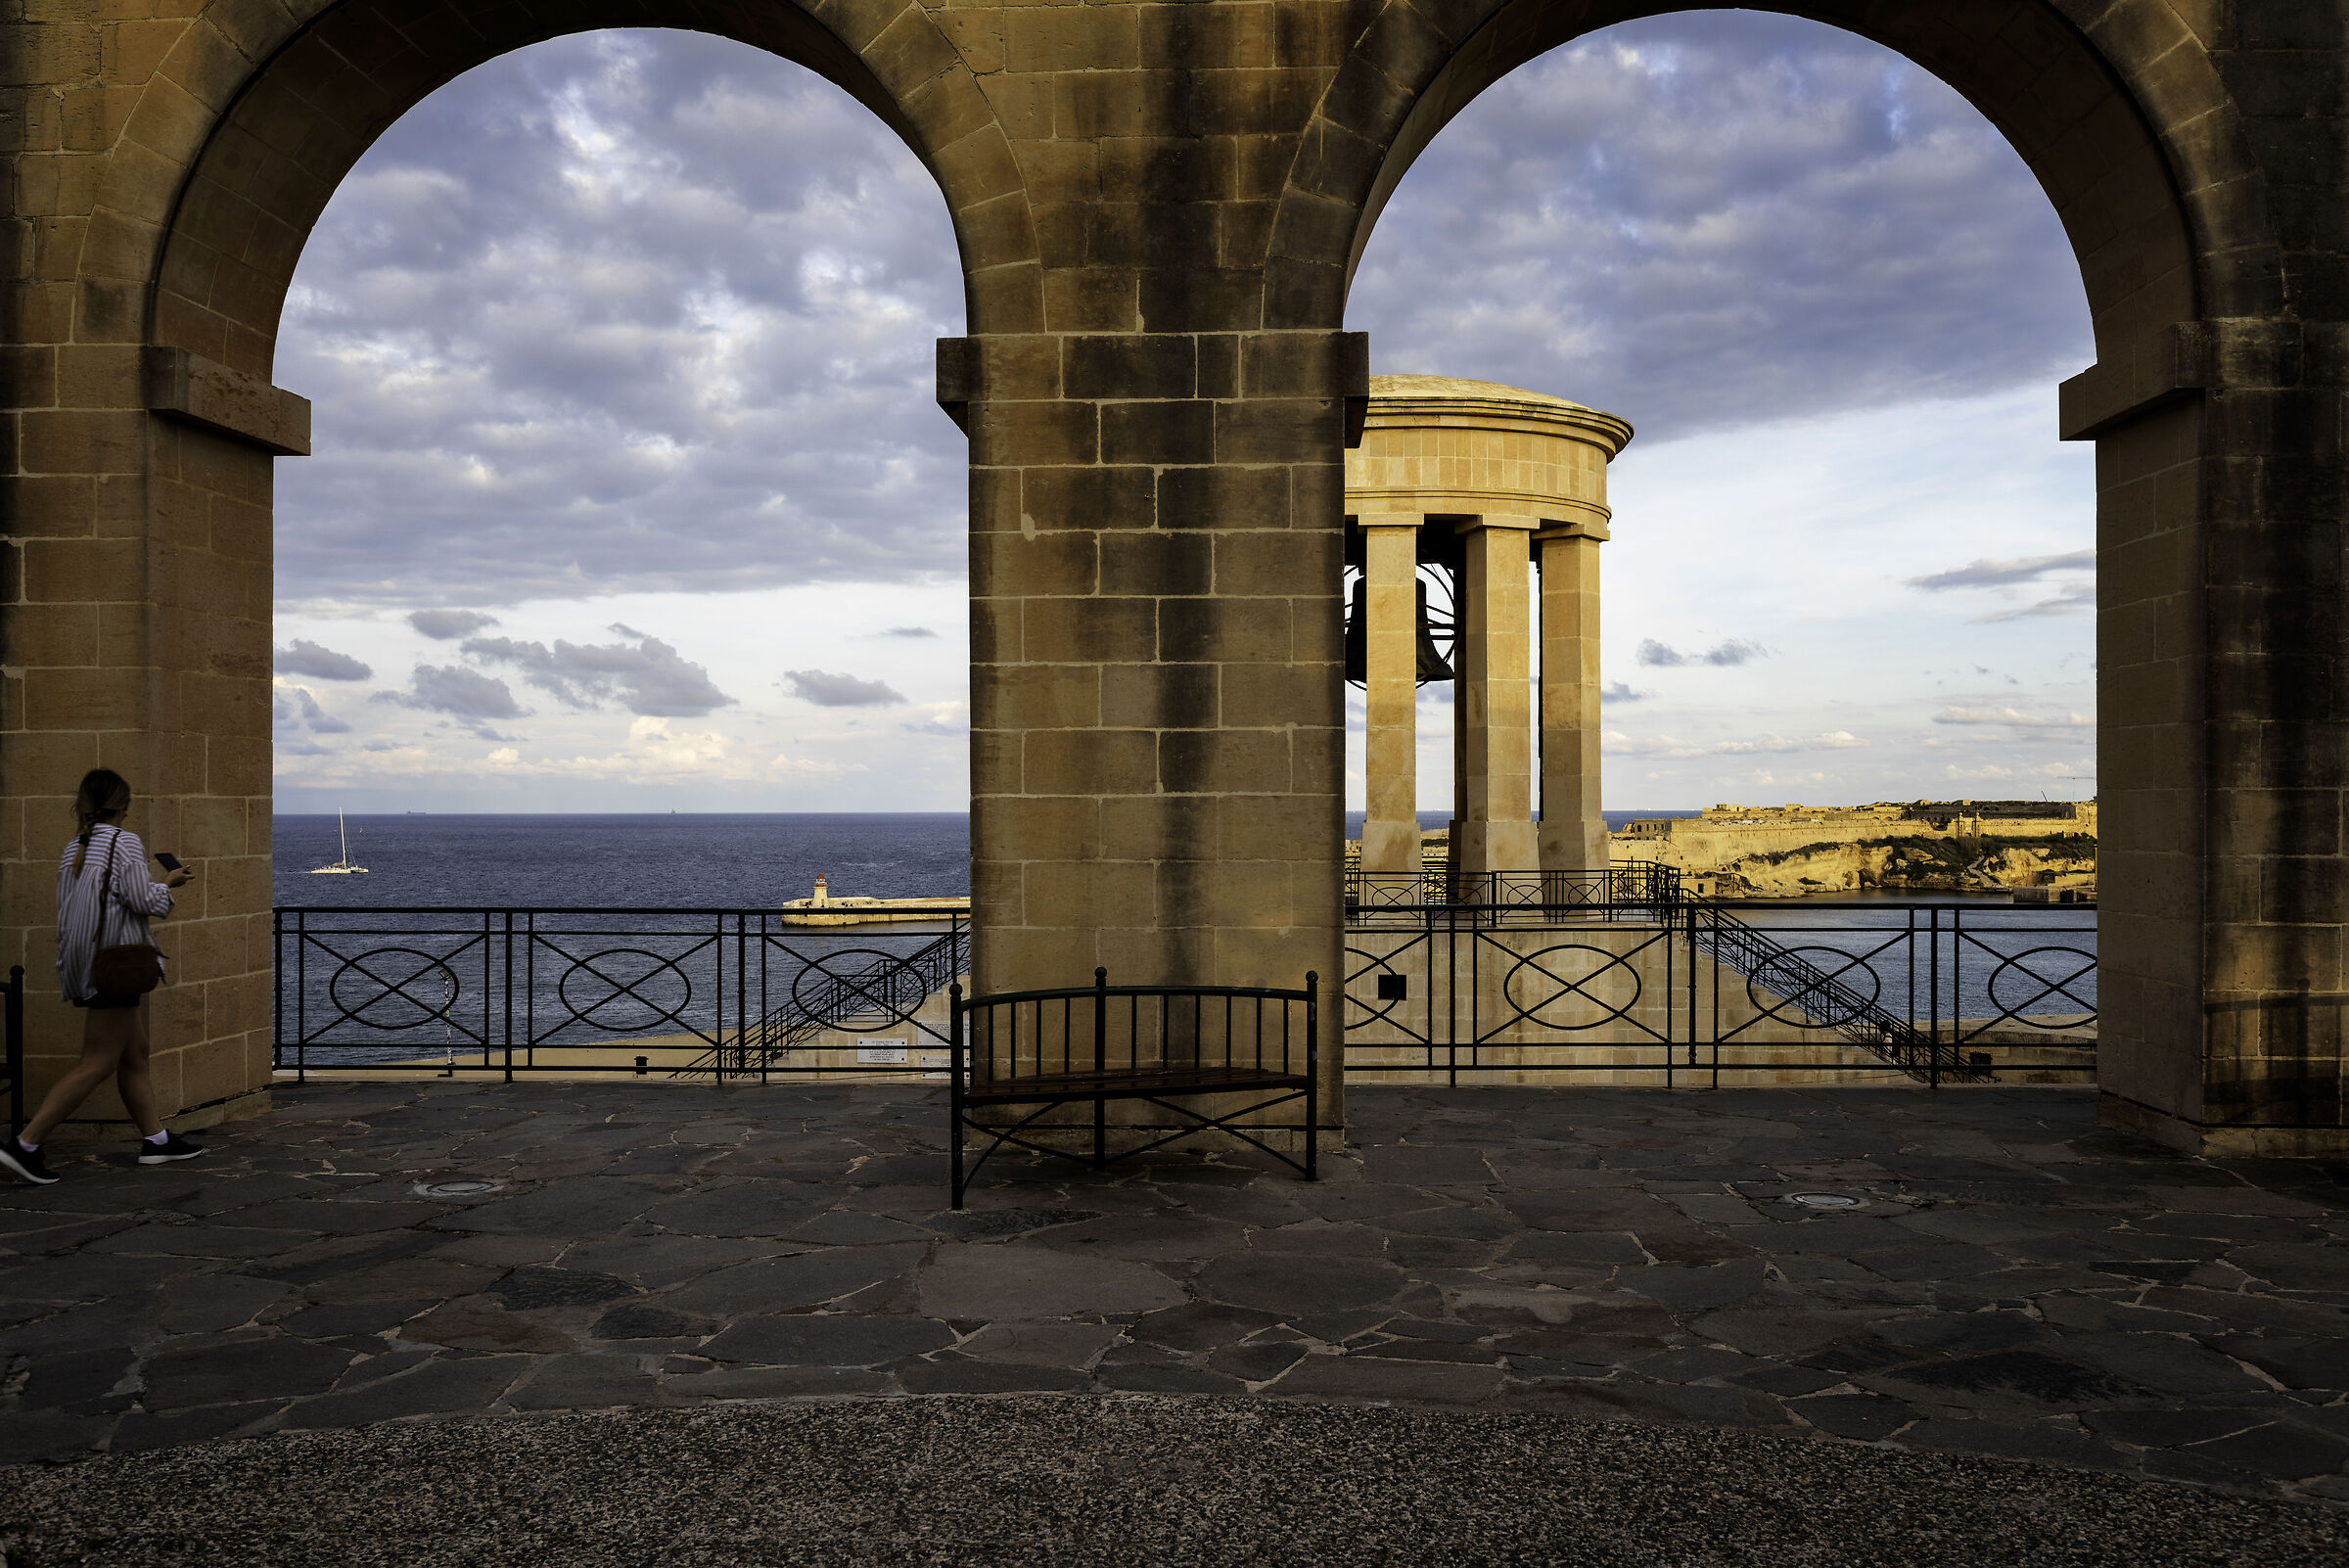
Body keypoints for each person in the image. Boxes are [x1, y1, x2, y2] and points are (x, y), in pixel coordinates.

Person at [0, 769, 205, 1185]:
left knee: (134, 1052)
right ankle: (24, 1145)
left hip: (84, 962)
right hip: (113, 965)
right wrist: (168, 883)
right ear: (125, 805)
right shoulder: (123, 841)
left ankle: (157, 1141)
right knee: (97, 1061)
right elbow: (140, 899)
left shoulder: (74, 846)